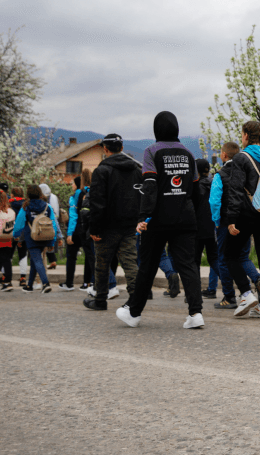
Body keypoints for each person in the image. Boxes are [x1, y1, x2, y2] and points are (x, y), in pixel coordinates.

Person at [118, 111, 205, 329]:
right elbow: (195, 191)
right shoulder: (188, 153)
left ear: (156, 130)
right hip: (185, 217)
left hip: (157, 218)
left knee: (148, 265)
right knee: (187, 265)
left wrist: (143, 217)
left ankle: (134, 313)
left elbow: (150, 186)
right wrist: (194, 215)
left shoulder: (151, 152)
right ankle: (196, 313)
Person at [223, 120, 260, 319]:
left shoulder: (242, 158)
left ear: (246, 136)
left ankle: (246, 294)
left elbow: (235, 190)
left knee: (230, 254)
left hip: (246, 215)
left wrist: (231, 219)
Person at [83, 134, 141, 311]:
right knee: (130, 263)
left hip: (107, 227)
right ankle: (137, 300)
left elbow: (97, 202)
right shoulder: (137, 170)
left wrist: (95, 228)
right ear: (122, 148)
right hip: (129, 225)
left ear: (105, 150)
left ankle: (100, 300)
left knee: (102, 264)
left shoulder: (102, 171)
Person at [210, 141, 260, 309]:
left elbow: (215, 201)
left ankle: (229, 296)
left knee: (224, 258)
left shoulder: (220, 174)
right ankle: (257, 279)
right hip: (245, 220)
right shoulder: (246, 172)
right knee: (243, 256)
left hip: (226, 222)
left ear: (224, 155)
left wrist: (217, 221)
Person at [13, 184, 59, 293]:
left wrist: (16, 235)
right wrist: (53, 240)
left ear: (28, 194)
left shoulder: (26, 207)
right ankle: (29, 286)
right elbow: (53, 224)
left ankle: (45, 283)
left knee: (37, 259)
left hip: (32, 237)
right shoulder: (47, 206)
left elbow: (19, 223)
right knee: (34, 260)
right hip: (45, 237)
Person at [194, 159, 220, 300]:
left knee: (194, 261)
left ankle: (194, 291)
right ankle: (228, 283)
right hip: (212, 227)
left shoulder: (195, 187)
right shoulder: (214, 184)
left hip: (197, 228)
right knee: (214, 259)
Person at [64, 170, 94, 291]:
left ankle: (69, 283)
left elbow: (73, 215)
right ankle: (87, 282)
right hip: (90, 228)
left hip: (78, 228)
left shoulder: (76, 195)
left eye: (72, 183)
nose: (71, 185)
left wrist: (69, 233)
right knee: (89, 255)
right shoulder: (93, 191)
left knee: (71, 255)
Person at [0, 188, 16, 291]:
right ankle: (8, 282)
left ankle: (6, 281)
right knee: (7, 259)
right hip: (7, 236)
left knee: (4, 258)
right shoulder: (8, 207)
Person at [38, 183, 60, 270]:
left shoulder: (46, 198)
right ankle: (53, 261)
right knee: (50, 242)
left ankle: (43, 263)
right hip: (53, 222)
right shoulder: (54, 196)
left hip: (46, 222)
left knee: (45, 242)